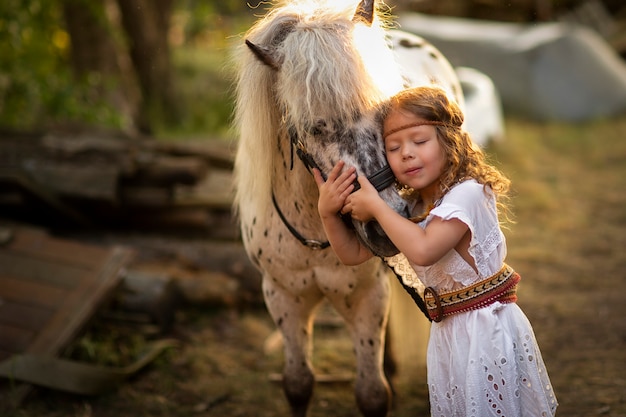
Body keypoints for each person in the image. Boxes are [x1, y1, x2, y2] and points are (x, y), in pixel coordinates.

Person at [313, 86, 558, 417]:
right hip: (449, 334)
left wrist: (375, 205)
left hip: (485, 330)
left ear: (448, 140)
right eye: (394, 147)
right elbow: (354, 254)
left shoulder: (468, 194)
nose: (407, 154)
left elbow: (425, 249)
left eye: (419, 141)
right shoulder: (413, 208)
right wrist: (327, 212)